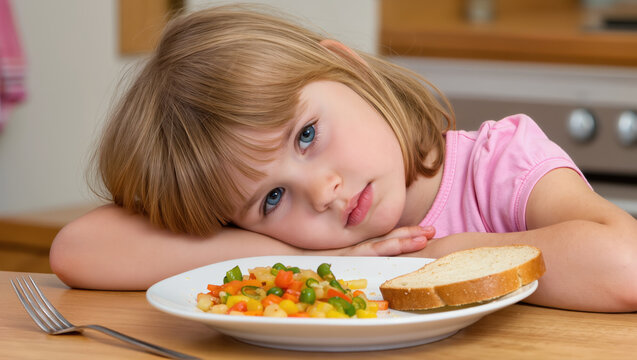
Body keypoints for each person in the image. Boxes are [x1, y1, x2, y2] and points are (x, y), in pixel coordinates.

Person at [50, 5, 637, 313]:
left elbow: (625, 267)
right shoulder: (314, 248)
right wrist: (302, 259)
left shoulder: (498, 163)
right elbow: (79, 250)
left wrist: (440, 259)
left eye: (305, 135)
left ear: (348, 67)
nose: (323, 191)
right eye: (271, 198)